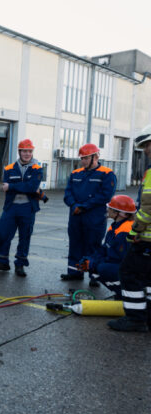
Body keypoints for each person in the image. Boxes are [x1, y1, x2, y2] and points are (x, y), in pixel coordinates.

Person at [108, 125, 151, 332]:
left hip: (147, 238)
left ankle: (135, 318)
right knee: (148, 278)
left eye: (147, 145)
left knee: (129, 273)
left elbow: (147, 209)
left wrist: (135, 231)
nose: (145, 150)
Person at [0, 139, 43, 277]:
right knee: (3, 233)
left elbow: (32, 187)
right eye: (25, 151)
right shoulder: (9, 168)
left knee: (25, 237)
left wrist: (12, 186)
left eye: (30, 151)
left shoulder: (38, 168)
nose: (27, 154)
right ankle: (2, 262)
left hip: (28, 208)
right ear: (20, 152)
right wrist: (22, 187)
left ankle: (20, 265)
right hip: (11, 207)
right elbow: (21, 188)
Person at [61, 144, 116, 281]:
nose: (83, 161)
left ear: (95, 157)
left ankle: (93, 276)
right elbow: (67, 194)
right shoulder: (75, 173)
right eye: (82, 158)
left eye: (86, 158)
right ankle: (75, 273)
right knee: (75, 244)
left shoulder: (107, 173)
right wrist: (74, 205)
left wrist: (84, 206)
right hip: (75, 216)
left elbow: (105, 195)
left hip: (94, 217)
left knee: (93, 246)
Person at [76, 195, 136, 294]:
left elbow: (116, 257)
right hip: (122, 266)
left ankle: (126, 293)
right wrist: (90, 259)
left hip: (130, 270)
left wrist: (93, 264)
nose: (108, 209)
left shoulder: (126, 231)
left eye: (111, 208)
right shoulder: (116, 226)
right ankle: (122, 292)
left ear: (120, 214)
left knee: (103, 269)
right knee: (96, 267)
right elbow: (104, 249)